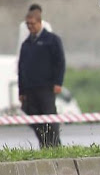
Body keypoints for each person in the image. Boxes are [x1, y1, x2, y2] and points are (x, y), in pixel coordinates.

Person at [18, 9, 66, 148]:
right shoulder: (26, 44)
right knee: (34, 120)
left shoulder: (51, 40)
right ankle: (44, 144)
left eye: (32, 24)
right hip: (30, 90)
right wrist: (21, 91)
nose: (30, 27)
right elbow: (21, 69)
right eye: (28, 24)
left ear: (39, 22)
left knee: (49, 118)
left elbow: (60, 62)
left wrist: (58, 82)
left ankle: (55, 145)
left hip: (46, 88)